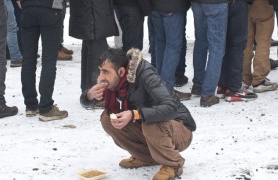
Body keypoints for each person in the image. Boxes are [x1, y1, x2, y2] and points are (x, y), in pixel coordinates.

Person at [83, 48, 195, 180]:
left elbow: (171, 107)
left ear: (121, 71)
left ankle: (172, 164)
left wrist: (135, 114)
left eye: (105, 72)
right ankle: (146, 157)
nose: (100, 77)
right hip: (150, 125)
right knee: (108, 119)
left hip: (179, 128)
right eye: (100, 70)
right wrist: (89, 95)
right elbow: (88, 102)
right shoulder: (116, 80)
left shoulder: (146, 74)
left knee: (149, 121)